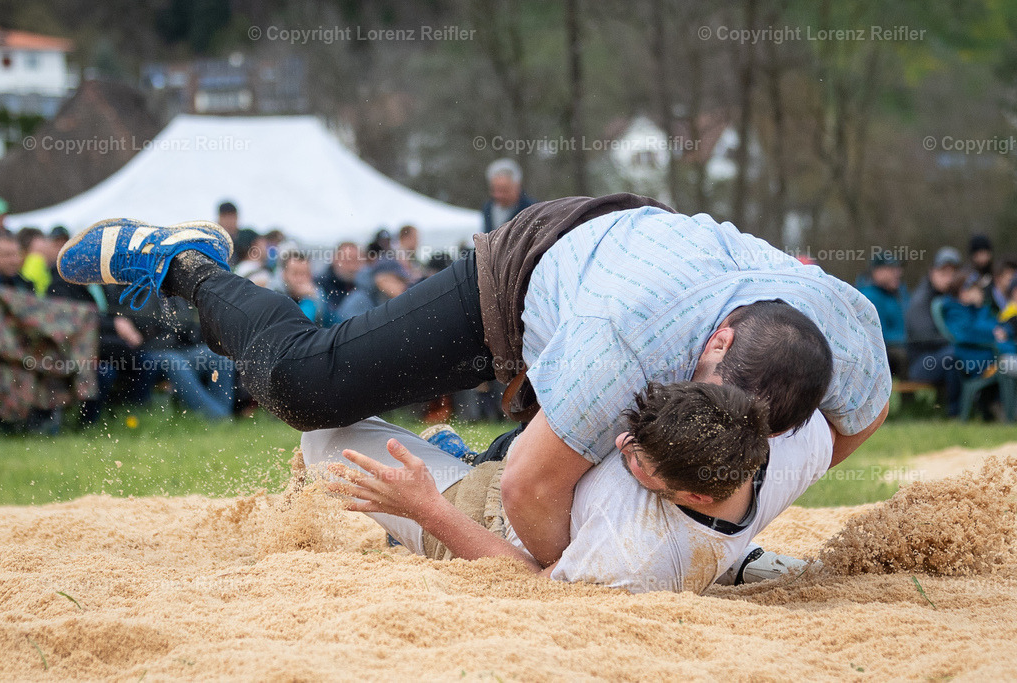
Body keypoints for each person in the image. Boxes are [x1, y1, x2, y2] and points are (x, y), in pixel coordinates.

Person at [57, 198, 890, 567]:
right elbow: (531, 497)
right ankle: (189, 262)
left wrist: (731, 526)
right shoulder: (624, 343)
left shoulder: (849, 342)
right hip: (532, 270)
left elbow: (853, 427)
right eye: (712, 386)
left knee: (604, 451)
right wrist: (606, 564)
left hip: (638, 270)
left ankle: (466, 451)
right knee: (313, 387)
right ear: (718, 339)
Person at [306, 382, 833, 594]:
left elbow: (530, 582)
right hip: (524, 466)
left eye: (636, 461)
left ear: (693, 497)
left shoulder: (630, 556)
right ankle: (460, 455)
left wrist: (425, 510)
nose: (623, 443)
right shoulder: (791, 442)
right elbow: (854, 415)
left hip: (481, 513)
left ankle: (434, 487)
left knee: (319, 433)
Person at [905, 247, 963, 415]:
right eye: (943, 272)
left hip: (943, 355)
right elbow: (924, 335)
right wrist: (958, 340)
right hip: (921, 363)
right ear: (932, 272)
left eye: (953, 273)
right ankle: (955, 413)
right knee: (954, 354)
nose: (949, 278)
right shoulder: (920, 300)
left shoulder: (958, 297)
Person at [859, 253, 908, 376]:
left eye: (898, 269)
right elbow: (876, 336)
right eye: (891, 269)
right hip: (884, 355)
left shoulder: (901, 293)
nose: (897, 273)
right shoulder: (867, 297)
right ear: (877, 272)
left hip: (906, 347)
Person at [482, 159, 535, 233]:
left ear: (517, 187)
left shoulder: (532, 210)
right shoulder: (488, 207)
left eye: (504, 190)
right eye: (495, 190)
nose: (499, 195)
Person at [275, 251, 327, 325]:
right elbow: (297, 325)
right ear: (284, 274)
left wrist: (313, 298)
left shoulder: (317, 295)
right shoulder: (275, 295)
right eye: (295, 273)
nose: (300, 279)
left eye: (304, 274)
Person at [316, 241, 363, 312]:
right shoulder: (318, 286)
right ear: (334, 260)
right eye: (347, 261)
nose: (352, 267)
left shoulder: (365, 286)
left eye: (357, 262)